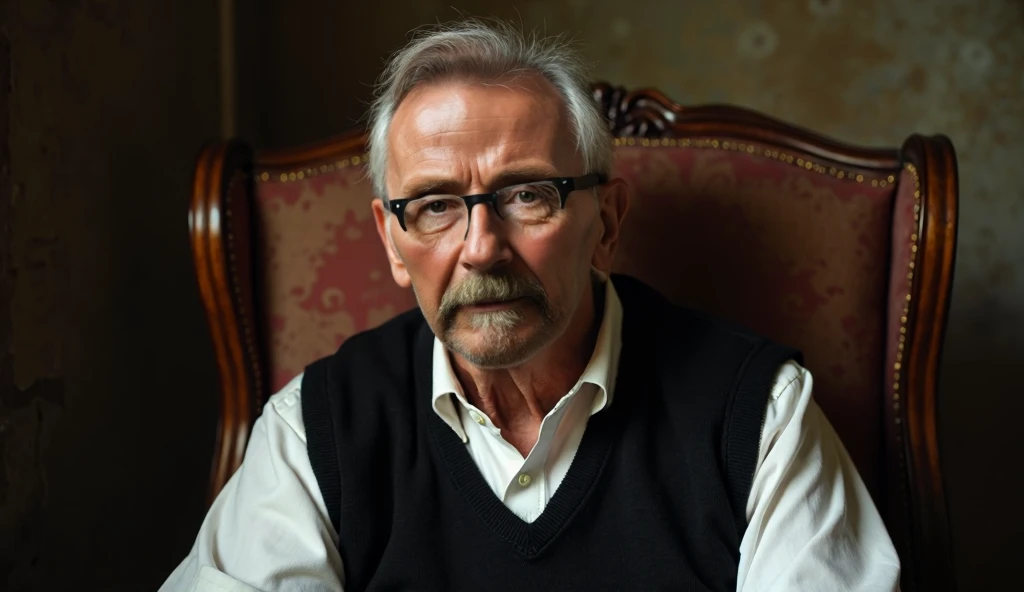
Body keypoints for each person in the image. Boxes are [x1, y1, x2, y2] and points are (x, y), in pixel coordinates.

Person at [162, 18, 900, 592]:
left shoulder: (759, 414)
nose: (482, 247)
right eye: (435, 206)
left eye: (526, 195)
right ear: (391, 241)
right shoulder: (314, 431)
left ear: (605, 223)